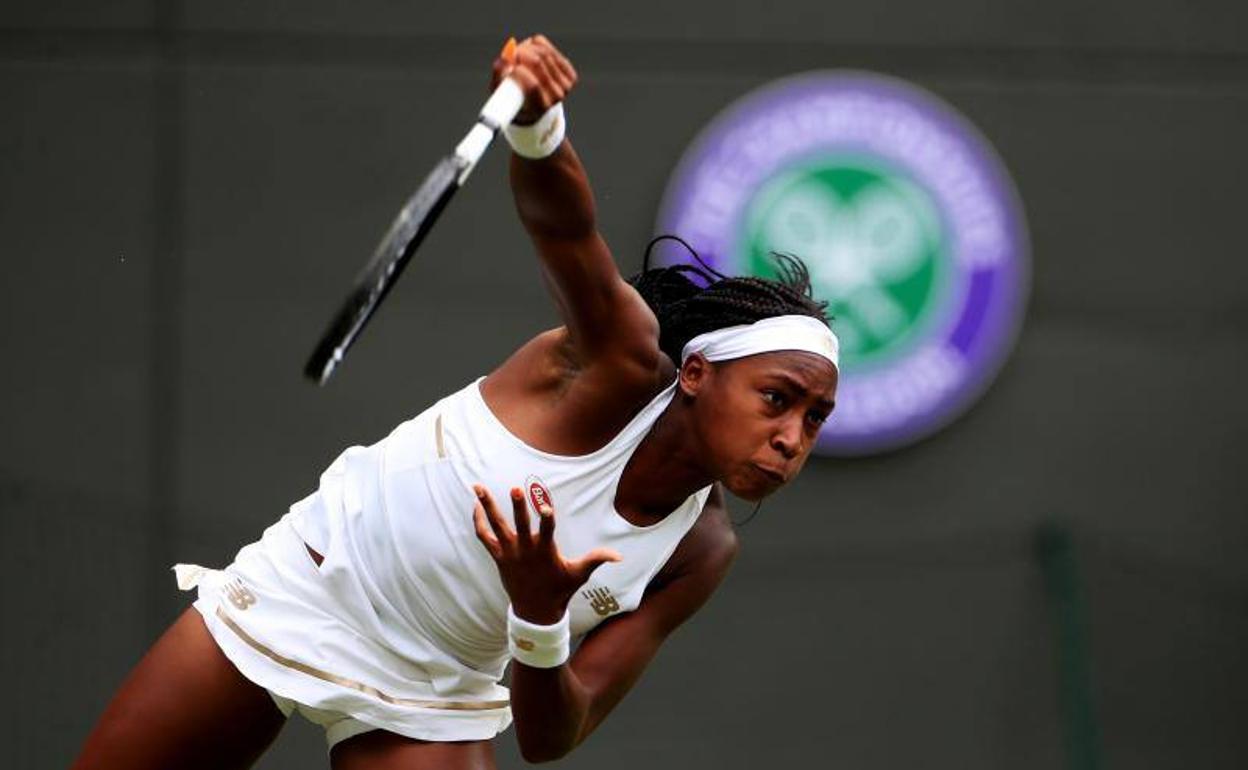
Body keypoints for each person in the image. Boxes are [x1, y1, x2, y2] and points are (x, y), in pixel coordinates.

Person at [72, 34, 839, 770]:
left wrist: (539, 616)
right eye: (778, 398)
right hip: (309, 585)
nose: (791, 438)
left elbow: (556, 734)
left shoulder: (699, 551)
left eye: (813, 419)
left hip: (433, 692)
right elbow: (564, 229)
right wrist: (538, 127)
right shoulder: (617, 361)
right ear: (698, 373)